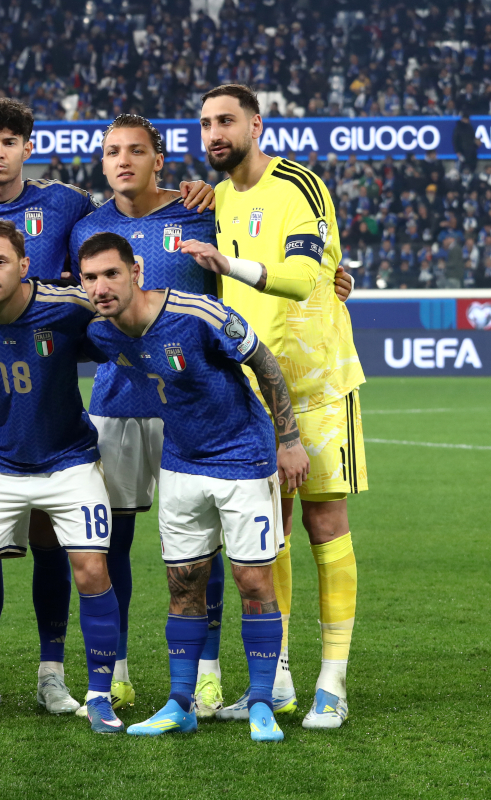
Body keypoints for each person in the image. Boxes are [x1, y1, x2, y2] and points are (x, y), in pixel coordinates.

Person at [65, 114, 356, 718]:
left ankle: (208, 675)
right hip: (119, 401)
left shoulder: (202, 210)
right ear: (101, 161)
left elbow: (259, 257)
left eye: (136, 150)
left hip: (197, 408)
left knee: (209, 544)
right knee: (115, 539)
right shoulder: (87, 225)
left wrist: (333, 278)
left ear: (159, 160)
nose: (123, 161)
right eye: (112, 151)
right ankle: (116, 672)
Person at [182, 84, 364, 729]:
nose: (213, 133)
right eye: (205, 124)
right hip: (256, 392)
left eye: (225, 120)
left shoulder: (299, 184)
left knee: (324, 525)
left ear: (256, 124)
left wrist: (228, 262)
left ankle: (333, 684)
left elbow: (306, 274)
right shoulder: (222, 196)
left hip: (316, 384)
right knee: (272, 532)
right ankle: (279, 677)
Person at [78, 232, 309, 742]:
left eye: (111, 273)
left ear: (136, 271)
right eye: (91, 278)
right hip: (180, 462)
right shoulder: (100, 331)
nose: (101, 286)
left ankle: (262, 703)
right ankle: (180, 702)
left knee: (254, 583)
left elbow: (264, 362)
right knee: (183, 582)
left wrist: (288, 439)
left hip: (243, 458)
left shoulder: (197, 312)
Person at [0, 221, 122, 733]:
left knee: (93, 572)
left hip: (69, 459)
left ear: (24, 265)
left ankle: (99, 697)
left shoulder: (68, 307)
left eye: (0, 262)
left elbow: (125, 308)